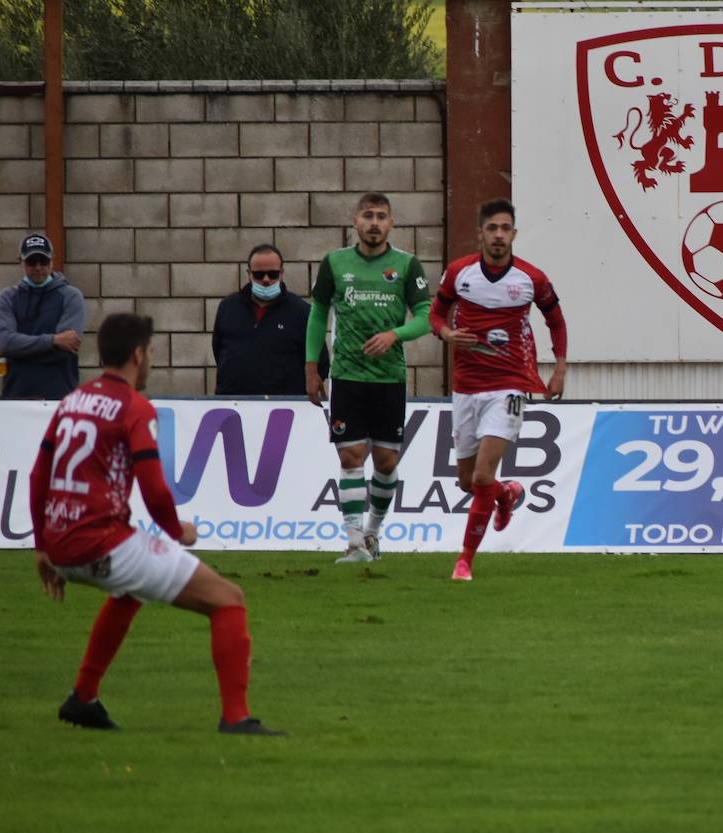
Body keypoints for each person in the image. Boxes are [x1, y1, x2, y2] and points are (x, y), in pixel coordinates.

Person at [29, 313, 280, 734]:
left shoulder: (73, 400)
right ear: (138, 354)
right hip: (102, 542)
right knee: (228, 599)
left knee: (129, 594)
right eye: (150, 353)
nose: (151, 361)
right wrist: (175, 530)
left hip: (61, 543)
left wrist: (42, 546)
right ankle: (236, 718)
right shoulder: (134, 407)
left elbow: (40, 475)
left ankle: (83, 698)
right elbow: (153, 485)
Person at [430, 198, 567, 582]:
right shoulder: (460, 273)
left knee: (480, 478)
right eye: (492, 228)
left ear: (514, 234)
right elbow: (436, 313)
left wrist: (559, 367)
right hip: (466, 386)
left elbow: (556, 320)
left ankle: (465, 562)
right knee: (467, 481)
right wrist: (446, 333)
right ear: (480, 233)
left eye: (506, 228)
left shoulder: (531, 279)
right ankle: (506, 495)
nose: (499, 235)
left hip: (508, 385)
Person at [304, 193, 432, 564]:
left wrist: (396, 334)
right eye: (368, 216)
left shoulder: (407, 265)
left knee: (387, 461)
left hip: (389, 377)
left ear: (391, 224)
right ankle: (354, 541)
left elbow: (425, 316)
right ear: (355, 221)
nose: (374, 223)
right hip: (347, 375)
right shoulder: (334, 263)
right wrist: (312, 368)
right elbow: (318, 316)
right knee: (351, 456)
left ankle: (373, 532)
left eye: (381, 217)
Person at [212, 244, 329, 396]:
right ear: (249, 274)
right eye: (259, 275)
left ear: (281, 274)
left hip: (284, 409)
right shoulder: (228, 307)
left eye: (272, 274)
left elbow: (321, 362)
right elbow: (218, 350)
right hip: (234, 403)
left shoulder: (302, 311)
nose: (266, 280)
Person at [0, 233, 85, 399]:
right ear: (20, 261)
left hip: (60, 399)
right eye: (31, 261)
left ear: (52, 261)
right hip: (16, 398)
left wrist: (15, 348)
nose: (38, 267)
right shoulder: (7, 298)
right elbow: (6, 342)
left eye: (43, 261)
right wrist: (54, 340)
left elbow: (65, 350)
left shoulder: (71, 296)